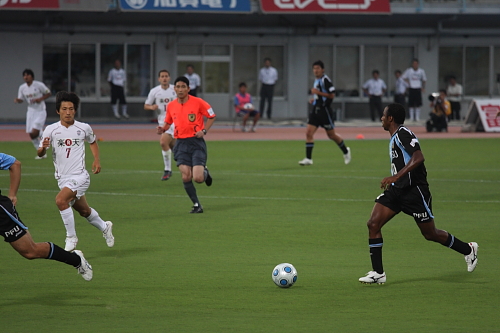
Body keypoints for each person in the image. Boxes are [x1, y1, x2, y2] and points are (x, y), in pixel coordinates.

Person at [359, 103, 478, 285]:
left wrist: (395, 176)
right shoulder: (395, 136)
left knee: (430, 234)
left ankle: (468, 250)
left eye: (384, 115)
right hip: (397, 191)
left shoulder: (403, 134)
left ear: (391, 118)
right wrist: (396, 181)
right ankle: (378, 273)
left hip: (415, 192)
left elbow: (418, 157)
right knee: (373, 223)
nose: (381, 118)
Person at [37, 91, 115, 252]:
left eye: (71, 109)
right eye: (64, 109)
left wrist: (96, 160)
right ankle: (104, 227)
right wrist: (43, 148)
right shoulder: (50, 130)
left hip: (80, 176)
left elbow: (93, 142)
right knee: (84, 211)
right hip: (62, 179)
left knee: (60, 201)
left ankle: (71, 237)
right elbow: (40, 153)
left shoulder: (83, 127)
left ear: (75, 110)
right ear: (58, 111)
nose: (68, 112)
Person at [0, 152, 93, 281]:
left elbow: (14, 163)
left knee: (30, 251)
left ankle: (76, 260)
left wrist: (12, 195)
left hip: (1, 213)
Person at [157, 77, 216, 214]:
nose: (180, 89)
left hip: (196, 142)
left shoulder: (198, 102)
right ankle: (196, 205)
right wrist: (162, 129)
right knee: (185, 176)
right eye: (178, 86)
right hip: (181, 143)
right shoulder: (171, 105)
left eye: (183, 86)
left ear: (188, 89)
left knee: (198, 178)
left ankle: (205, 174)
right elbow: (168, 122)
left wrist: (204, 130)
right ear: (175, 89)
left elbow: (212, 116)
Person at [298, 60, 351, 166]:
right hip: (316, 110)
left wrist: (318, 93)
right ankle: (308, 158)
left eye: (318, 68)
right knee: (309, 132)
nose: (315, 70)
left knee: (331, 135)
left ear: (323, 69)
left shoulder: (325, 80)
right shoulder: (317, 80)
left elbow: (332, 94)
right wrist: (315, 99)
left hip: (325, 111)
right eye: (314, 68)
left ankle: (346, 151)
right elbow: (321, 96)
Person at [145, 69, 177, 180]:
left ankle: (200, 167)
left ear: (169, 78)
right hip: (164, 122)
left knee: (179, 150)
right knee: (163, 143)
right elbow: (146, 105)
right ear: (159, 79)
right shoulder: (154, 91)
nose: (164, 78)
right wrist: (151, 107)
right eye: (162, 76)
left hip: (177, 122)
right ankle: (167, 170)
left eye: (166, 76)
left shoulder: (175, 89)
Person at [14, 69, 51, 159]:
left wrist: (40, 99)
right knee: (31, 134)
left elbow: (48, 93)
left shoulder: (39, 85)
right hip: (31, 112)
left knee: (35, 131)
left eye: (27, 75)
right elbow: (21, 99)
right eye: (24, 75)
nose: (26, 77)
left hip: (40, 111)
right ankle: (42, 152)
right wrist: (18, 100)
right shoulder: (22, 88)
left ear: (32, 76)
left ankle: (47, 138)